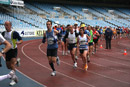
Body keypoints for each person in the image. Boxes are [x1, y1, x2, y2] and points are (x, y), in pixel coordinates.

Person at [2, 21, 23, 86]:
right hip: (7, 51)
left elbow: (21, 40)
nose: (6, 26)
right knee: (8, 67)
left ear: (10, 25)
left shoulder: (14, 33)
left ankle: (13, 79)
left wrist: (19, 42)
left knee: (12, 65)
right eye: (5, 25)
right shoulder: (3, 33)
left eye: (7, 25)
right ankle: (17, 62)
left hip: (13, 50)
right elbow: (1, 41)